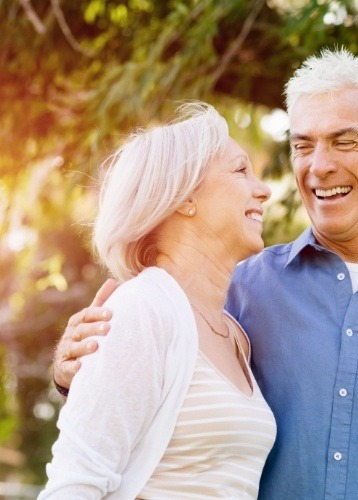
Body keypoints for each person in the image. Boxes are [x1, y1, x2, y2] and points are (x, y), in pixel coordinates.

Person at [53, 49, 358, 499]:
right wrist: (78, 363)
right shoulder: (236, 288)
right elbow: (133, 379)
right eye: (303, 145)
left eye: (344, 142)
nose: (319, 166)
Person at [39, 102, 276, 499]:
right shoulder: (142, 309)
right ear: (185, 197)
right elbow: (74, 483)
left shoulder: (235, 333)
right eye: (240, 170)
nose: (264, 189)